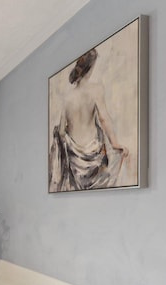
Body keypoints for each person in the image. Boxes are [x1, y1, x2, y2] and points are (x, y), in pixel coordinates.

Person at [49, 48, 129, 192]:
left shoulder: (67, 98)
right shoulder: (96, 89)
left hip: (73, 156)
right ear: (91, 67)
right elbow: (104, 119)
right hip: (94, 151)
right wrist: (115, 143)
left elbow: (61, 132)